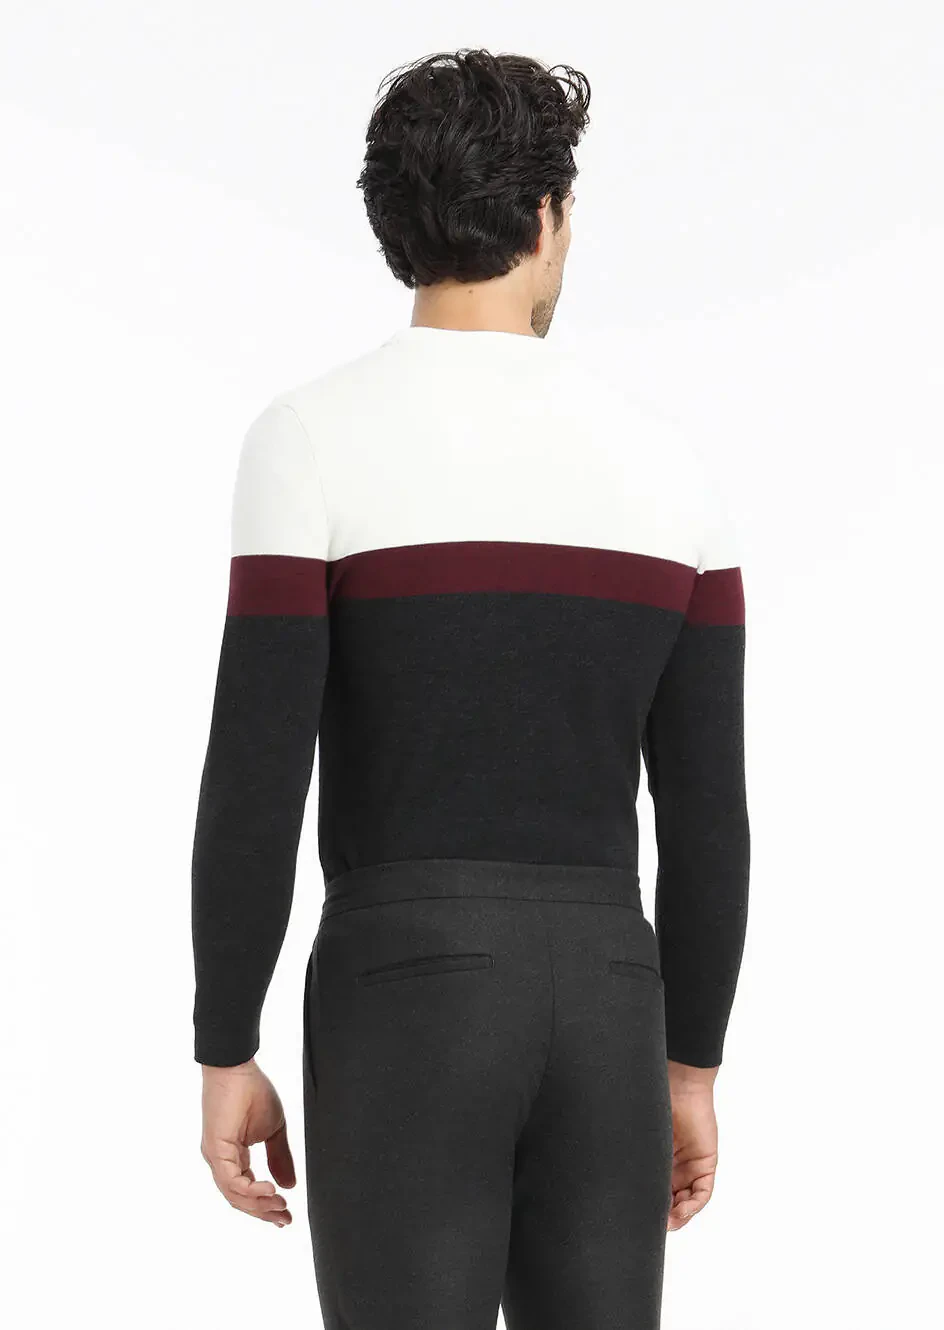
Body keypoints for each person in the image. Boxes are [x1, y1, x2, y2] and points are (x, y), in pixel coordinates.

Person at [192, 48, 750, 1330]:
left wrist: (226, 1043)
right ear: (547, 216)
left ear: (398, 222)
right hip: (611, 989)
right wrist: (689, 1067)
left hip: (405, 989)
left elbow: (257, 770)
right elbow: (706, 815)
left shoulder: (308, 437)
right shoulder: (670, 467)